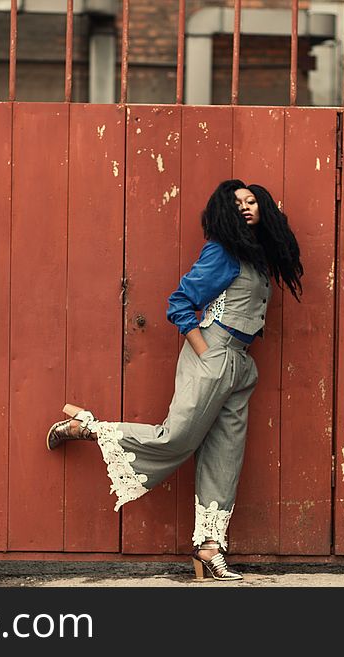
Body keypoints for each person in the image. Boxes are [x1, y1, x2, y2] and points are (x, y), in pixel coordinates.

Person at [46, 179, 303, 581]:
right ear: (224, 211)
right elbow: (180, 303)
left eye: (253, 202)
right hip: (215, 354)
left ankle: (209, 549)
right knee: (177, 437)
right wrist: (207, 354)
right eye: (238, 204)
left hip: (241, 364)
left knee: (225, 457)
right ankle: (86, 427)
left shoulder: (257, 258)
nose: (247, 208)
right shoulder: (223, 252)